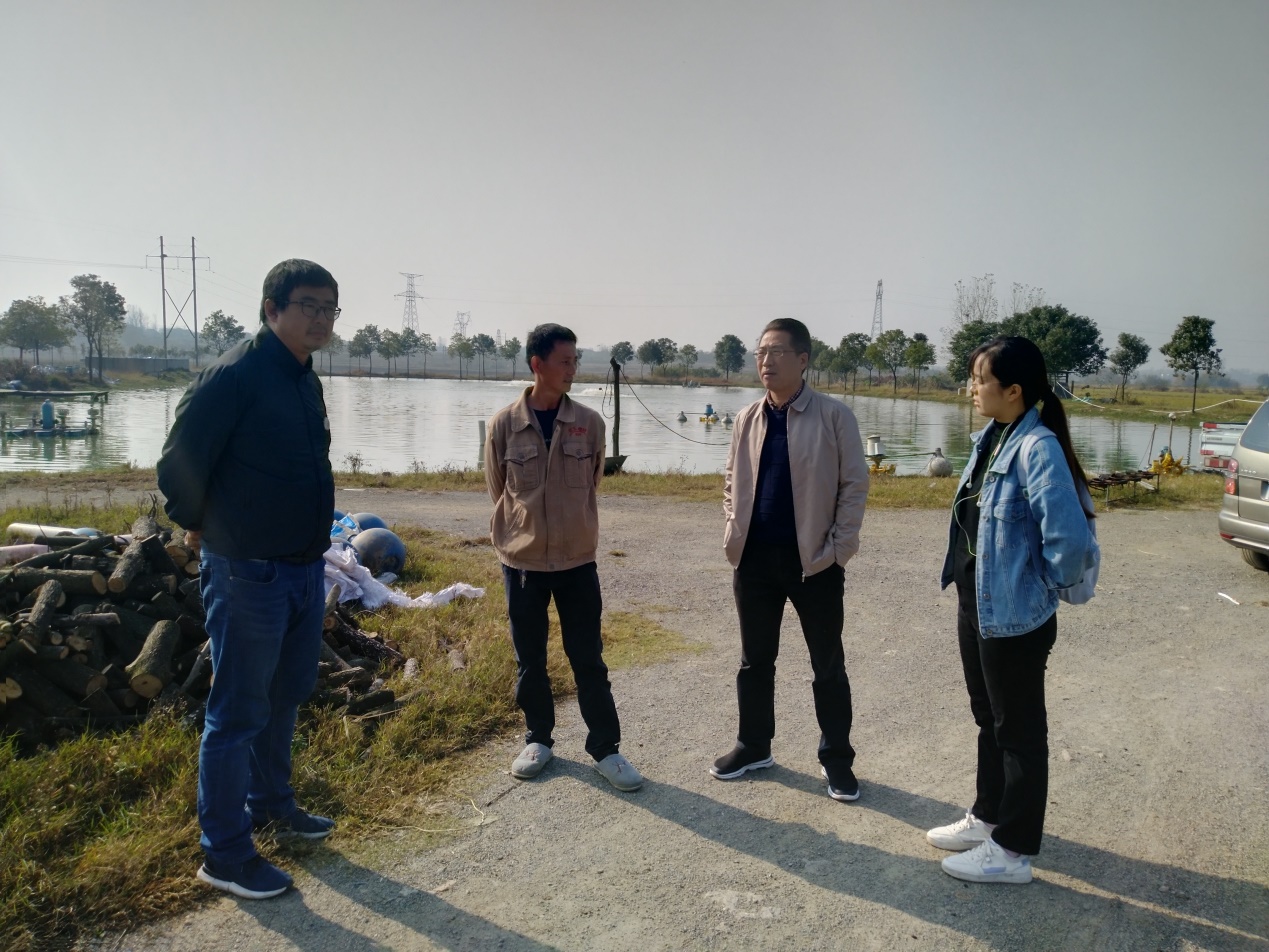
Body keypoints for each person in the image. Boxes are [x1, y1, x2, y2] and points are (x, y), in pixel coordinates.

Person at [157, 259, 340, 900]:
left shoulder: (303, 378)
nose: (321, 319)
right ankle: (226, 854)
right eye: (309, 305)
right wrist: (200, 522)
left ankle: (271, 805)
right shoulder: (234, 374)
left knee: (285, 694)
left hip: (301, 566)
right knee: (236, 712)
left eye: (330, 308)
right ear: (272, 308)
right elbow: (179, 463)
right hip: (246, 570)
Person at [928, 336, 1094, 884]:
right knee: (989, 718)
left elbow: (1069, 541)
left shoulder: (1037, 447)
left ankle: (1013, 851)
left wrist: (1040, 589)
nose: (972, 388)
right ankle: (989, 815)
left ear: (1014, 390)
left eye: (981, 379)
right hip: (977, 603)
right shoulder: (992, 437)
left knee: (1019, 730)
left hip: (1014, 614)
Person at [711, 318, 870, 801]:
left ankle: (837, 759)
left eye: (777, 352)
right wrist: (733, 528)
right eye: (761, 352)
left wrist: (838, 549)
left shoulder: (834, 416)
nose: (766, 361)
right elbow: (731, 481)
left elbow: (854, 485)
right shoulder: (747, 418)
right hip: (754, 561)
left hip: (814, 563)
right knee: (754, 661)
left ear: (803, 360)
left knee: (828, 665)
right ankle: (753, 745)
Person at [485, 323, 643, 792]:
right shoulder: (504, 425)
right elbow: (499, 489)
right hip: (523, 563)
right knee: (530, 658)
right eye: (565, 361)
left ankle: (606, 749)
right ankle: (539, 739)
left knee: (588, 658)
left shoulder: (589, 424)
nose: (573, 368)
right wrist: (525, 530)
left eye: (575, 360)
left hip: (577, 562)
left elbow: (592, 483)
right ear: (537, 364)